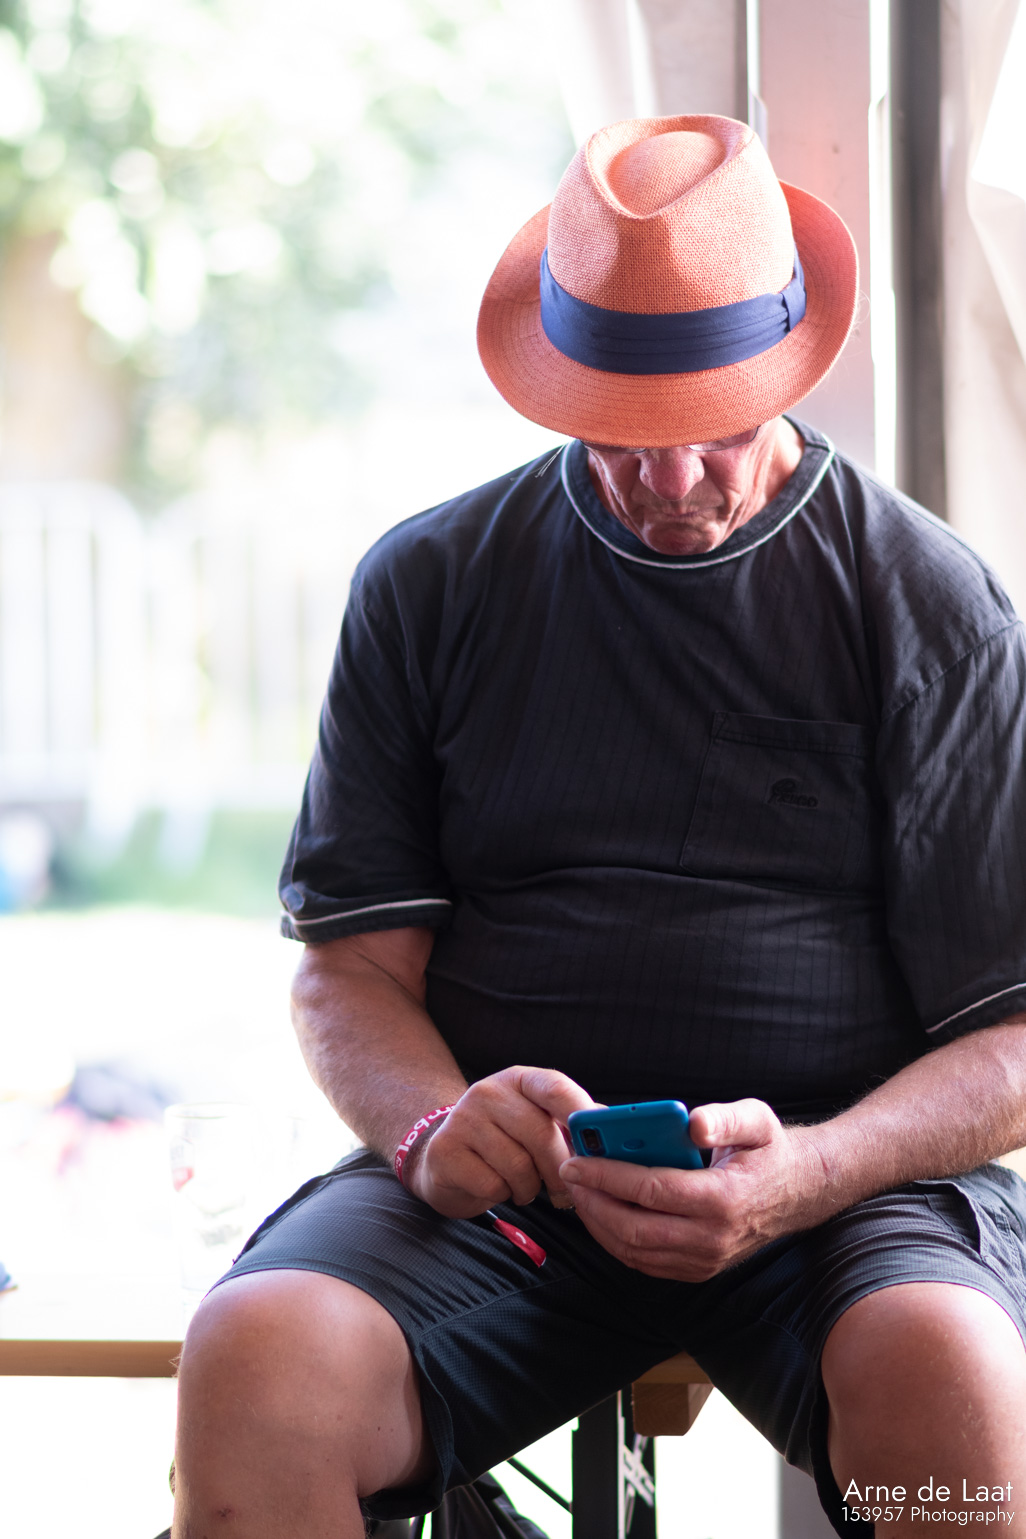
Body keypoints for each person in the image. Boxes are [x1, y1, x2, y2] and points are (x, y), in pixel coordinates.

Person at [169, 116, 1026, 1539]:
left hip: (834, 1191)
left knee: (953, 1394)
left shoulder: (928, 606)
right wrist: (429, 1128)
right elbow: (349, 972)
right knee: (255, 1364)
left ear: (789, 371)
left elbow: (1011, 1040)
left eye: (716, 432)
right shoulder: (430, 584)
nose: (670, 482)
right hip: (504, 1198)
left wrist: (811, 1169)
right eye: (625, 439)